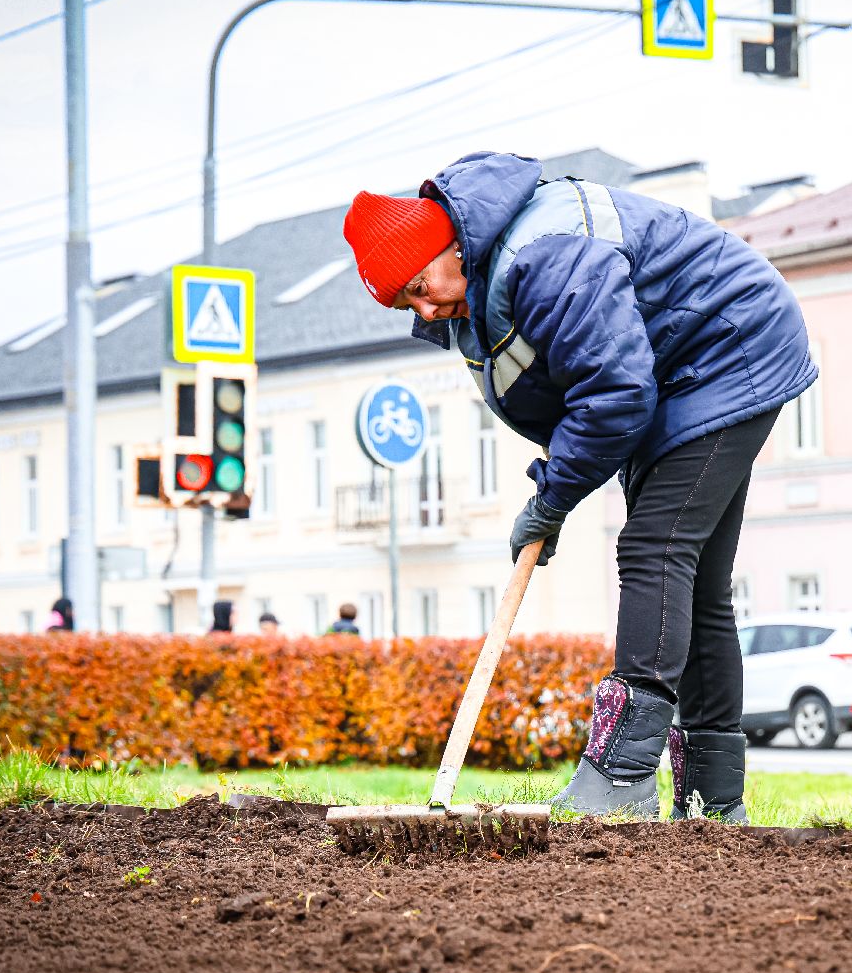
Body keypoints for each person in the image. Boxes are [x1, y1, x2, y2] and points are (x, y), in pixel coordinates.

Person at [342, 152, 815, 823]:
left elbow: (616, 392)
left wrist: (552, 499)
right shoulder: (479, 284)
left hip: (726, 348)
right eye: (406, 303)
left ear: (451, 245)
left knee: (654, 548)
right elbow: (570, 391)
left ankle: (621, 775)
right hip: (678, 370)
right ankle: (715, 802)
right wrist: (551, 487)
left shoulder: (544, 257)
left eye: (421, 284)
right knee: (696, 579)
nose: (425, 307)